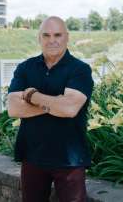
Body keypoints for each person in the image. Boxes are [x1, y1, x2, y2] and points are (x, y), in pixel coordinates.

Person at [7, 16, 94, 202]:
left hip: (69, 159)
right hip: (32, 157)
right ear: (39, 38)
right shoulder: (25, 68)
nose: (52, 40)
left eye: (57, 35)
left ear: (67, 37)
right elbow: (13, 108)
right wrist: (56, 103)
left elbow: (70, 109)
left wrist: (33, 97)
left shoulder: (80, 69)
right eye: (46, 35)